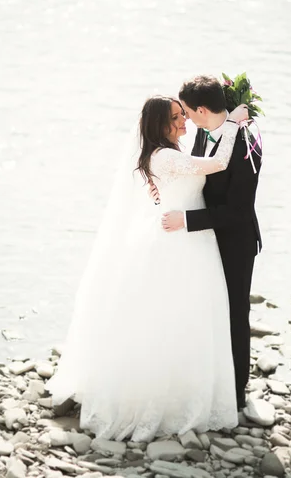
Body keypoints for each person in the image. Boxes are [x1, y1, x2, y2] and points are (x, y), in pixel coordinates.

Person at [46, 95, 249, 442]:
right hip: (179, 245)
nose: (184, 121)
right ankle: (166, 402)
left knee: (189, 320)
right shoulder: (164, 156)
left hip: (188, 239)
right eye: (176, 117)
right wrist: (232, 123)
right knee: (172, 320)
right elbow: (216, 165)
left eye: (183, 114)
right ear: (160, 124)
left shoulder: (169, 151)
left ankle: (187, 392)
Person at [158, 76, 262, 409]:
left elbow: (238, 210)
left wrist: (187, 221)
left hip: (234, 240)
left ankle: (236, 392)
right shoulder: (203, 133)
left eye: (186, 112)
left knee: (234, 311)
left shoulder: (247, 144)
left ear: (201, 110)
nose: (184, 119)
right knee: (203, 307)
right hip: (201, 242)